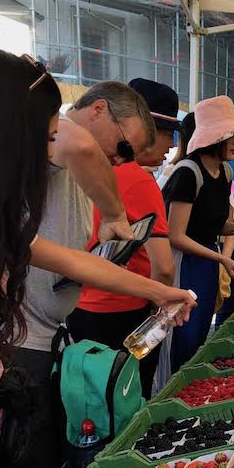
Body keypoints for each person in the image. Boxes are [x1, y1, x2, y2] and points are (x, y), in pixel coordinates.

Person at [0, 52, 194, 468]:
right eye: (43, 135)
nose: (51, 146)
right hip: (19, 354)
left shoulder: (10, 221)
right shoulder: (73, 147)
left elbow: (68, 261)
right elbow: (79, 140)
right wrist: (114, 214)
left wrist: (159, 292)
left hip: (28, 350)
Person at [68, 78, 182, 397]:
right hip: (123, 314)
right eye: (165, 135)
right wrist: (159, 304)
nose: (171, 145)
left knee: (87, 400)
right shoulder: (138, 181)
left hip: (77, 309)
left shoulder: (78, 167)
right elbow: (164, 267)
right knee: (126, 399)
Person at [163, 95, 234, 372]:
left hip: (207, 262)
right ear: (214, 138)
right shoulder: (187, 173)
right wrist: (221, 259)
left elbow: (214, 226)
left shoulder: (224, 173)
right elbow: (176, 235)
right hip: (182, 264)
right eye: (231, 136)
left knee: (200, 332)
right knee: (181, 337)